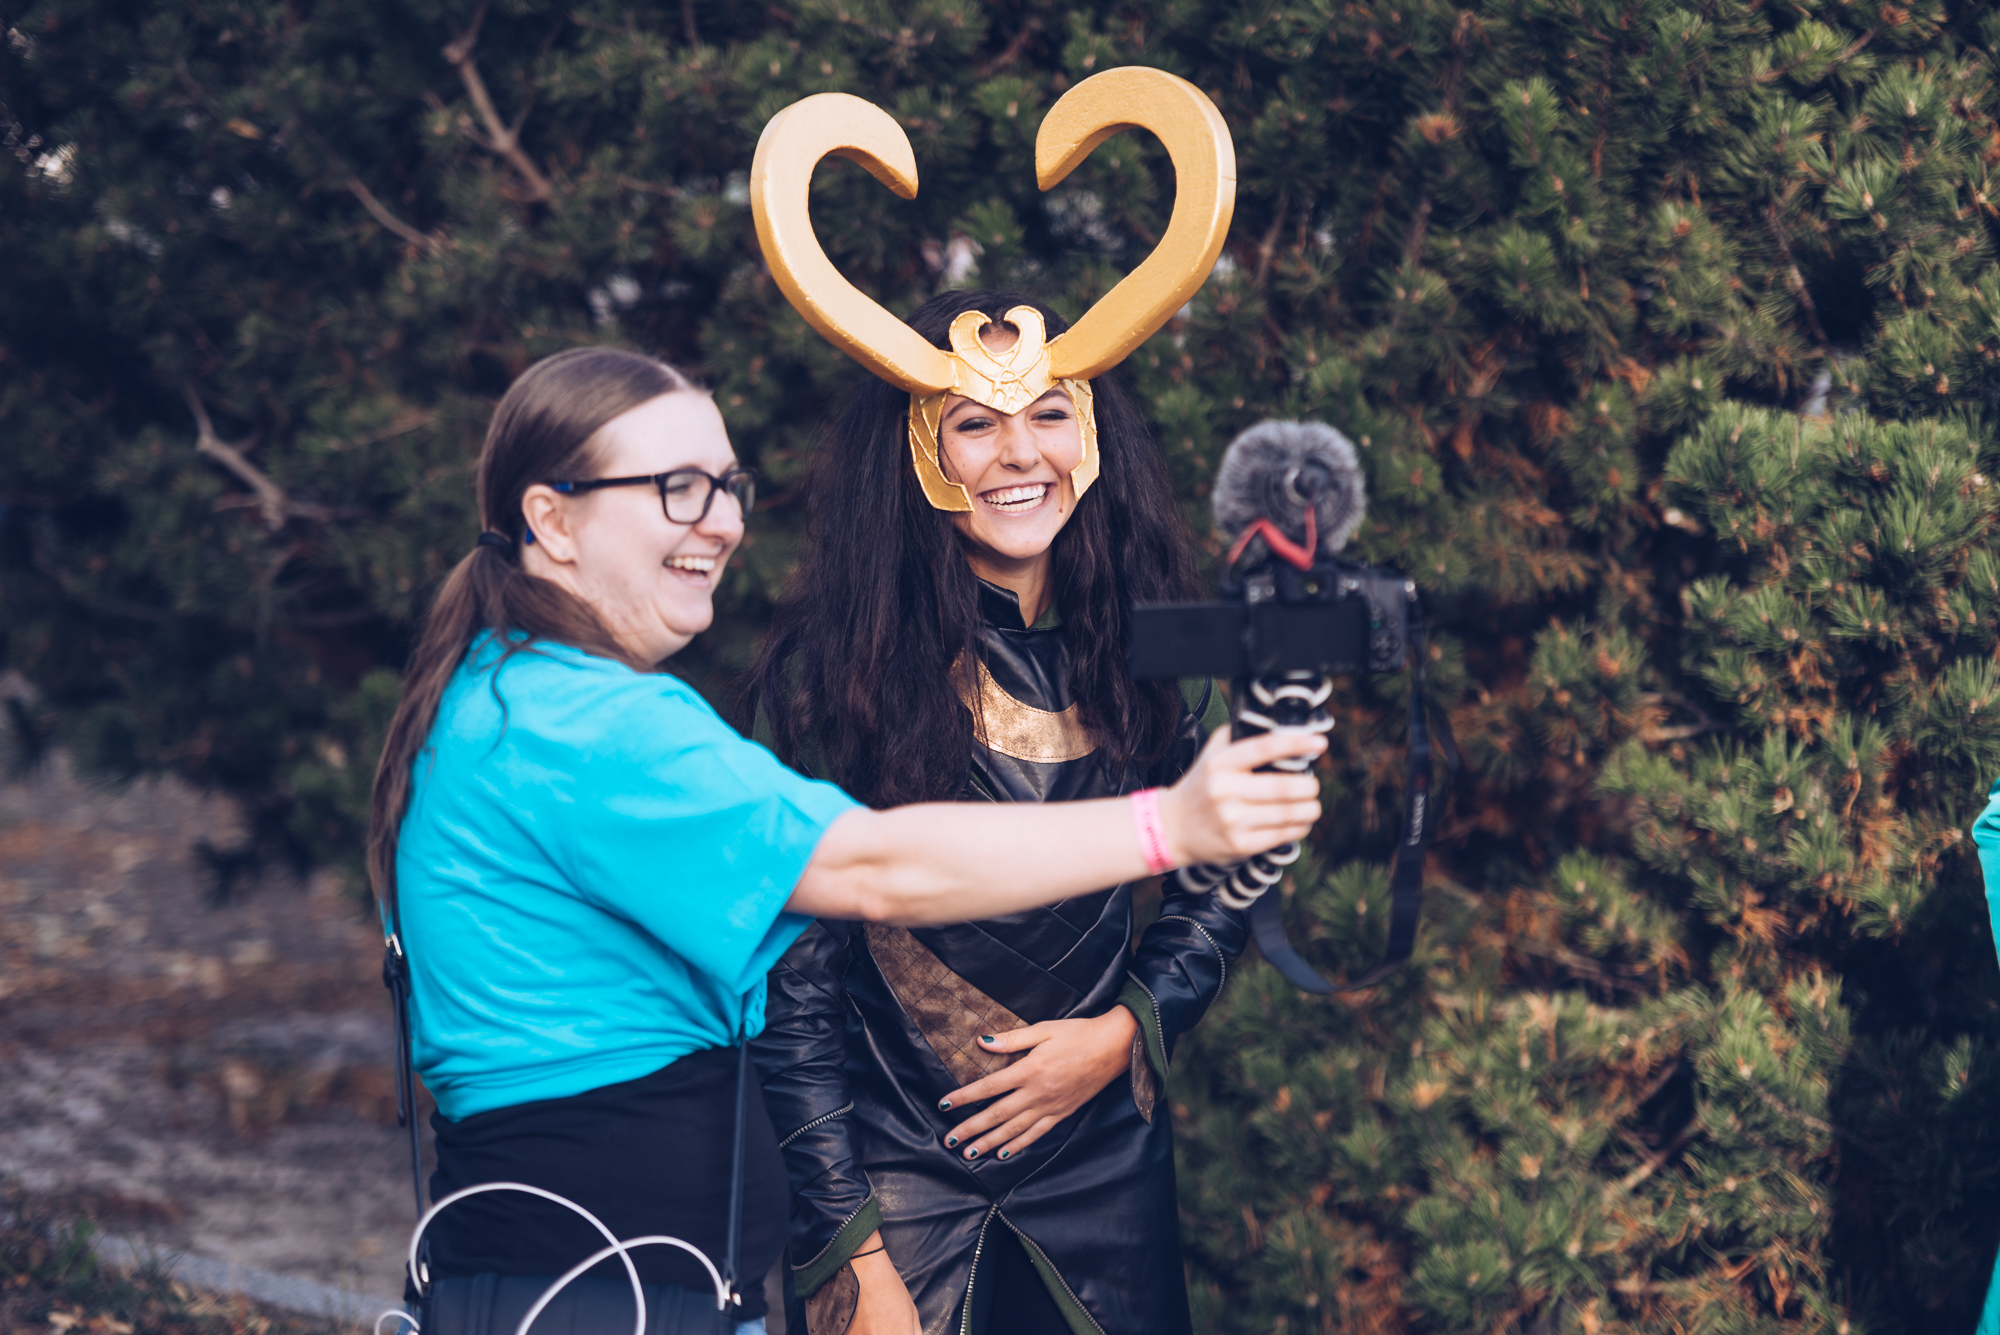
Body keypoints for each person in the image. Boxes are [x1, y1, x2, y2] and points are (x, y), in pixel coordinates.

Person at [367, 345, 1322, 1334]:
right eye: (676, 487)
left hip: (607, 1281)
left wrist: (1128, 1022)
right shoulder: (580, 728)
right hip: (592, 1291)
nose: (722, 521)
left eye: (727, 486)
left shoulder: (514, 695)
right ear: (551, 520)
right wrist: (1171, 825)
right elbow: (870, 869)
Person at [748, 286, 1250, 1335]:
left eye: (1050, 414)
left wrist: (1125, 1030)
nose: (1022, 453)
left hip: (1107, 1163)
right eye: (975, 424)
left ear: (1094, 435)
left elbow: (1228, 871)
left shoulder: (1154, 644)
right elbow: (788, 991)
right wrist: (852, 1253)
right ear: (916, 452)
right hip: (891, 1183)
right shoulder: (827, 678)